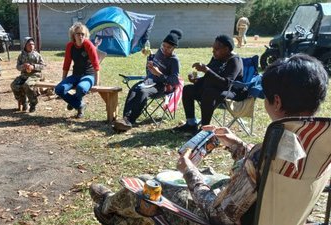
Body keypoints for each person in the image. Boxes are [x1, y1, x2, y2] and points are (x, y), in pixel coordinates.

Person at [89, 54, 328, 225]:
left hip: (218, 218)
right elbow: (274, 166)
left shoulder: (265, 152)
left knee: (146, 186)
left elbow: (218, 216)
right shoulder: (318, 144)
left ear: (276, 101)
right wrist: (236, 144)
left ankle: (106, 207)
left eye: (265, 96)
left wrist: (189, 171)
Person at [113, 29, 182, 131]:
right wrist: (149, 60)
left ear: (174, 48)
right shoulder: (160, 51)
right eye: (164, 46)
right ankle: (125, 118)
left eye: (169, 48)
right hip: (149, 81)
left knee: (142, 92)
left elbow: (175, 81)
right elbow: (152, 63)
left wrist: (158, 73)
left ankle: (130, 120)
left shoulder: (174, 60)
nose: (165, 49)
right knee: (134, 89)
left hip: (161, 86)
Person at [174, 34, 243, 134]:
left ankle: (204, 129)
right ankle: (191, 124)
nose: (213, 51)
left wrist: (207, 70)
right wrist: (197, 80)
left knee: (209, 93)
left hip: (231, 91)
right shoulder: (216, 57)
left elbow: (226, 83)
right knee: (188, 89)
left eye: (217, 49)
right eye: (213, 48)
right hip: (214, 88)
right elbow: (209, 76)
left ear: (226, 49)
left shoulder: (234, 61)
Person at [55, 22, 100, 118]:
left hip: (89, 75)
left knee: (81, 88)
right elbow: (66, 64)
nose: (80, 36)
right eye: (78, 34)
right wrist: (63, 79)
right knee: (59, 89)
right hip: (76, 75)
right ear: (73, 35)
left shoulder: (88, 44)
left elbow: (96, 65)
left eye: (82, 34)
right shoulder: (70, 46)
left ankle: (73, 103)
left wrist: (97, 83)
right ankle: (79, 105)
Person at [11, 37, 46, 112]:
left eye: (33, 44)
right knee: (14, 85)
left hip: (35, 75)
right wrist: (23, 66)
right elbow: (18, 67)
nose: (32, 46)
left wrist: (33, 66)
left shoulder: (37, 55)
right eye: (29, 44)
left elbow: (43, 66)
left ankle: (33, 103)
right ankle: (23, 102)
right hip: (24, 75)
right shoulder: (21, 55)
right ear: (25, 45)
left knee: (27, 85)